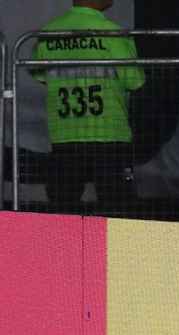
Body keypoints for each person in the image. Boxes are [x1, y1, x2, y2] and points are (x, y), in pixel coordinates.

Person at [33, 0, 145, 214]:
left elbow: (41, 75)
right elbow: (134, 81)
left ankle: (60, 247)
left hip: (64, 135)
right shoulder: (112, 33)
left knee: (62, 208)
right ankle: (114, 248)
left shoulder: (49, 32)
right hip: (109, 134)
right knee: (118, 209)